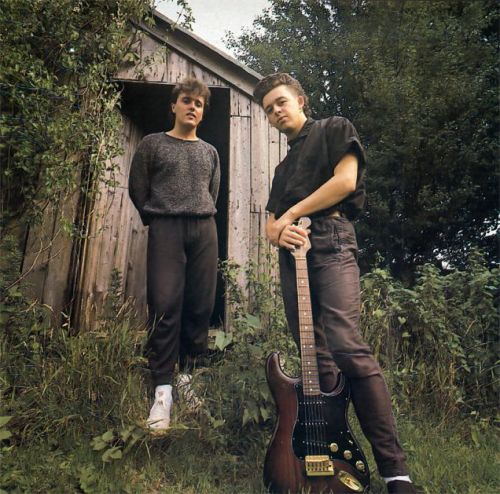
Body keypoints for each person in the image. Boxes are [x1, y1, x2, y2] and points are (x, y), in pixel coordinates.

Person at [253, 73, 417, 494]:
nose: (276, 112)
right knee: (316, 361)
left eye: (281, 102)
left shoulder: (334, 129)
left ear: (301, 100)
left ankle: (396, 474)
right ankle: (328, 464)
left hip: (333, 240)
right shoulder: (283, 168)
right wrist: (280, 231)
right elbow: (270, 225)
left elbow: (345, 183)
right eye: (269, 109)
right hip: (293, 256)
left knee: (346, 346)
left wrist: (292, 215)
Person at [129, 77, 220, 430]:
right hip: (166, 228)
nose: (192, 107)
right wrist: (157, 216)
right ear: (174, 105)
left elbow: (213, 192)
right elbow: (138, 187)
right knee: (165, 305)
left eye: (198, 104)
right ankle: (162, 390)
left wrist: (198, 215)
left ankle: (189, 377)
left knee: (200, 305)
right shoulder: (153, 144)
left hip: (203, 229)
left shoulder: (210, 152)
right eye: (187, 101)